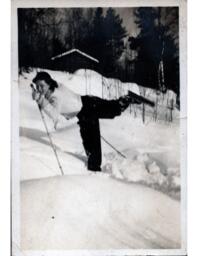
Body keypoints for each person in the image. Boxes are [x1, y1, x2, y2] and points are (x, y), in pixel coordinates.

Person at [31, 71, 141, 172]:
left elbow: (54, 115)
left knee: (108, 117)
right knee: (90, 137)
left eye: (42, 86)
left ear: (49, 83)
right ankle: (93, 167)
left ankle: (94, 170)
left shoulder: (56, 96)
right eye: (37, 86)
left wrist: (40, 100)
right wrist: (40, 97)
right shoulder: (54, 87)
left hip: (88, 108)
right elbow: (48, 99)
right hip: (85, 106)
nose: (40, 89)